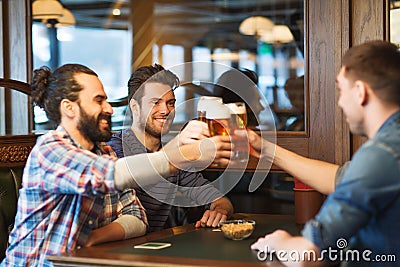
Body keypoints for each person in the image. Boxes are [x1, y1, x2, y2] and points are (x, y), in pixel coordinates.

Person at [1, 64, 232, 266]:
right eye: (99, 100)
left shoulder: (104, 152)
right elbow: (113, 174)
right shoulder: (51, 150)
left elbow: (137, 217)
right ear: (69, 108)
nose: (110, 109)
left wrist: (90, 238)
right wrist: (177, 155)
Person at [249, 40, 400, 266]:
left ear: (360, 92)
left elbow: (308, 255)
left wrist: (278, 241)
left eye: (341, 89)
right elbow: (341, 178)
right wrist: (265, 147)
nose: (339, 102)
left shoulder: (380, 154)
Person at [108, 64, 234, 232]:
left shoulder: (177, 158)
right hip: (114, 248)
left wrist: (219, 211)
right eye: (155, 102)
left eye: (170, 103)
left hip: (153, 247)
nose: (165, 110)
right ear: (135, 107)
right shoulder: (113, 147)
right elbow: (139, 174)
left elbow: (220, 200)